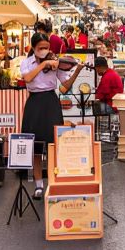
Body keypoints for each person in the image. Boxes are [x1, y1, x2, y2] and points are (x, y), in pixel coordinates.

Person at [21, 33, 84, 199]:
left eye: (46, 48)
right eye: (41, 48)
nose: (44, 51)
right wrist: (44, 64)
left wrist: (77, 70)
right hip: (34, 103)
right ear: (33, 48)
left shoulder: (55, 62)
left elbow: (65, 86)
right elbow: (27, 78)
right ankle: (39, 185)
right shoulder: (27, 63)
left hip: (50, 101)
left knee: (53, 145)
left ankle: (54, 182)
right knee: (36, 147)